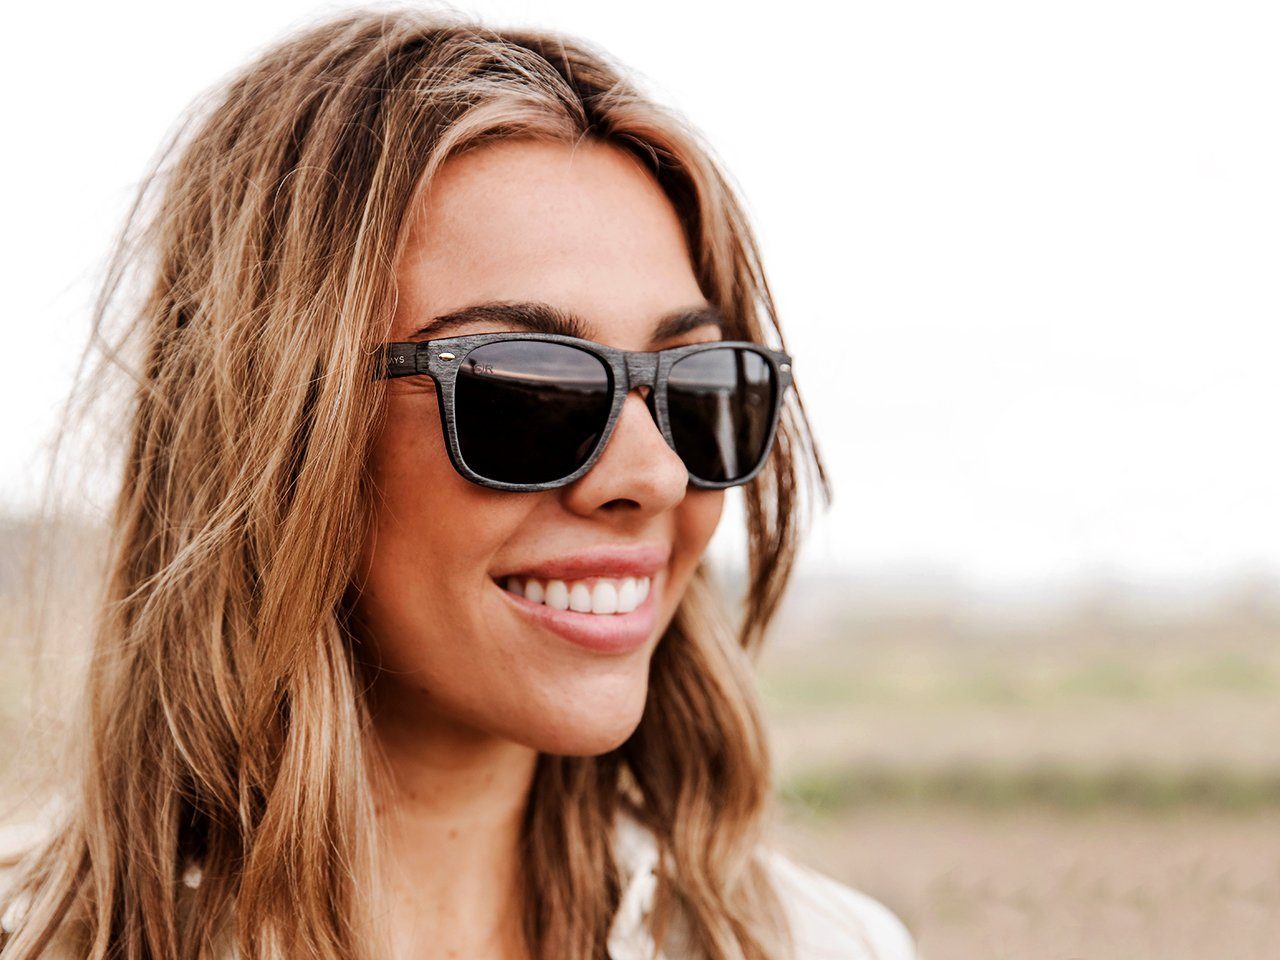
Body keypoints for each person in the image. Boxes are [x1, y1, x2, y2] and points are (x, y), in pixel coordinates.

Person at [0, 7, 915, 959]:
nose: (656, 473)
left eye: (698, 385)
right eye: (524, 388)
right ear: (273, 428)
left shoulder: (824, 946)